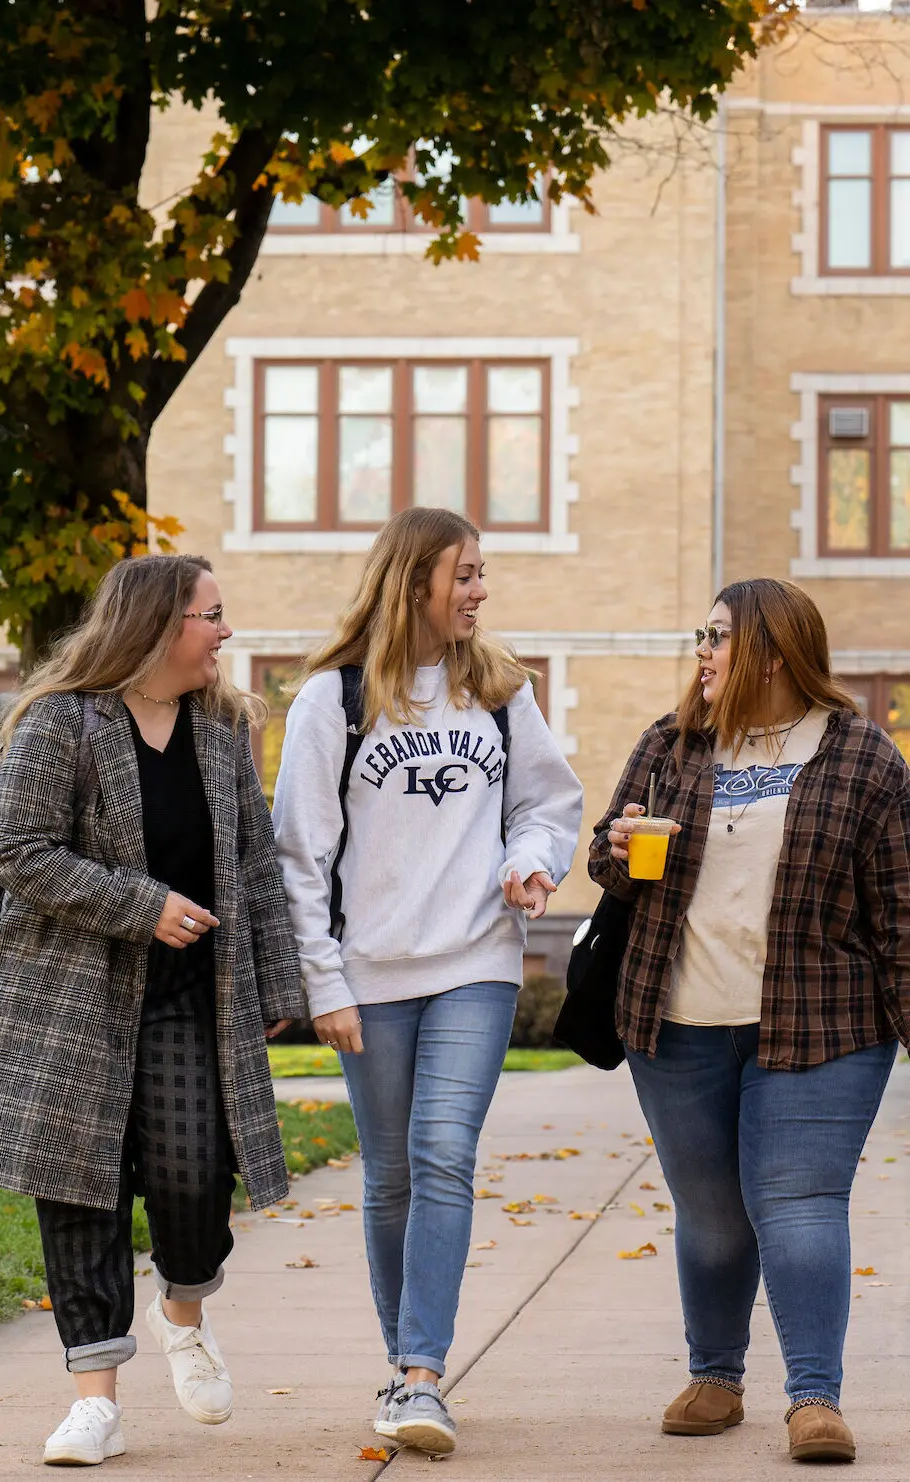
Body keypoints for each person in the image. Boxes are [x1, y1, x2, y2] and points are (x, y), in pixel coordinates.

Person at [587, 576, 910, 1465]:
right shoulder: (670, 746)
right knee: (713, 1216)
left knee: (797, 1206)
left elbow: (909, 908)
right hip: (675, 1025)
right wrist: (616, 850)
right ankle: (715, 1377)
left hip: (823, 1026)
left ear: (776, 654)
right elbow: (613, 868)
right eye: (700, 637)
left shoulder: (863, 758)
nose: (704, 653)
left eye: (719, 638)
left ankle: (815, 1399)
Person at [0, 554, 309, 1468]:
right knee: (81, 1196)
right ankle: (95, 1402)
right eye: (212, 614)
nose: (225, 631)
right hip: (67, 1003)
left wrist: (280, 983)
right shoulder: (57, 723)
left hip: (192, 1000)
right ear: (158, 626)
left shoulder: (222, 728)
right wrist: (141, 903)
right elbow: (17, 850)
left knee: (196, 1181)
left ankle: (183, 1312)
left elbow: (252, 864)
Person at [272, 506, 585, 1456]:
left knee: (444, 1151)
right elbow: (299, 851)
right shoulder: (333, 702)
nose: (481, 591)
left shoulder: (498, 689)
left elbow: (547, 800)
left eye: (483, 573)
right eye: (467, 574)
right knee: (393, 1173)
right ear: (414, 583)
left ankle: (419, 1377)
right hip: (367, 970)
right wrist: (322, 981)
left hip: (475, 962)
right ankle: (403, 1358)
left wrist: (528, 859)